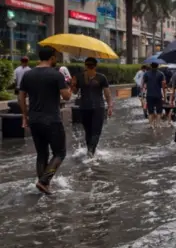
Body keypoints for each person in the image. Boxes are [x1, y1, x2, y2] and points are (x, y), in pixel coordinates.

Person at [18, 46, 72, 194]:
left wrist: (25, 116)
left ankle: (42, 185)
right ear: (52, 58)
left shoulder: (27, 75)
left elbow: (21, 97)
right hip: (52, 120)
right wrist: (70, 86)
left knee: (42, 154)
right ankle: (44, 181)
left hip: (34, 120)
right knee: (60, 153)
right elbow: (66, 97)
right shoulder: (56, 75)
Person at [72, 57, 113, 156]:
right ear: (96, 66)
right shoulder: (101, 77)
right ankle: (91, 151)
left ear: (85, 65)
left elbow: (74, 92)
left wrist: (73, 84)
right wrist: (110, 106)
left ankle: (90, 151)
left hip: (84, 107)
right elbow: (107, 94)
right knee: (96, 131)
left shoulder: (79, 76)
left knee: (88, 131)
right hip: (98, 107)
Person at [142, 62, 167, 128]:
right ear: (158, 65)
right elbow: (163, 86)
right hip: (158, 95)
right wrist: (164, 96)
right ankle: (158, 124)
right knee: (159, 111)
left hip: (149, 95)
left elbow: (143, 84)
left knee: (150, 111)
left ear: (150, 65)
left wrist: (142, 94)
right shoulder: (161, 74)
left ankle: (151, 125)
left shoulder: (146, 74)